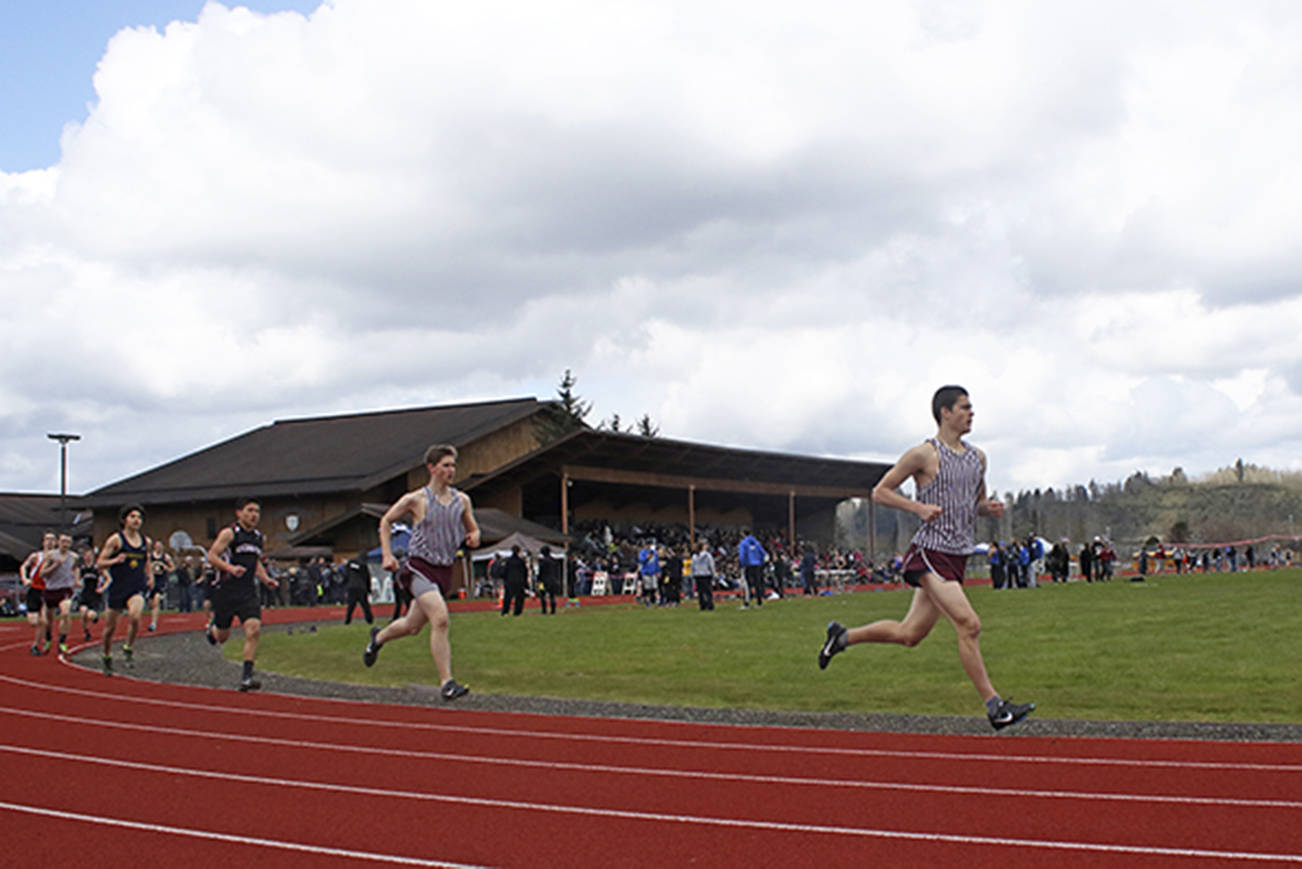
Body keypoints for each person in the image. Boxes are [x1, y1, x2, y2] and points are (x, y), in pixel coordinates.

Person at [817, 385, 1035, 731]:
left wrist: (986, 509)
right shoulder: (923, 454)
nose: (971, 413)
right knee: (969, 624)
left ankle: (842, 637)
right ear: (944, 413)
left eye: (971, 407)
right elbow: (880, 492)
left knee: (910, 634)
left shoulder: (978, 458)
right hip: (930, 552)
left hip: (957, 553)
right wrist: (916, 507)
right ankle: (995, 707)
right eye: (965, 407)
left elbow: (973, 502)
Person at [363, 444, 479, 701]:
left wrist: (473, 536)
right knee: (440, 619)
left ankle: (378, 638)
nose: (451, 470)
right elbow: (385, 521)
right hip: (419, 567)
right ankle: (447, 682)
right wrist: (387, 554)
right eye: (446, 465)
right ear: (432, 468)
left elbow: (474, 529)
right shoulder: (416, 500)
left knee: (412, 626)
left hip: (444, 569)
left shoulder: (462, 500)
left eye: (453, 465)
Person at [205, 497, 279, 691]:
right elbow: (211, 556)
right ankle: (212, 629)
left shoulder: (258, 537)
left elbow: (256, 563)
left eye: (257, 511)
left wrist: (265, 579)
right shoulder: (230, 534)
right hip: (227, 591)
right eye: (250, 510)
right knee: (222, 637)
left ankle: (247, 676)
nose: (254, 515)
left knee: (254, 630)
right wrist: (229, 568)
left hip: (247, 592)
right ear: (239, 513)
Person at [97, 505, 152, 675]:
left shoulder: (145, 541)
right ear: (124, 520)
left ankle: (128, 646)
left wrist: (150, 576)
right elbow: (99, 563)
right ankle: (106, 656)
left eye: (139, 517)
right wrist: (115, 561)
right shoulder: (116, 540)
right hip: (118, 587)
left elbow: (147, 560)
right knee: (110, 629)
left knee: (135, 616)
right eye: (132, 517)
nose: (137, 520)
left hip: (136, 586)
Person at [39, 533, 80, 656]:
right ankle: (48, 640)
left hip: (65, 589)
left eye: (68, 542)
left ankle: (62, 642)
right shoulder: (52, 556)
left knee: (66, 613)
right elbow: (42, 574)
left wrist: (76, 580)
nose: (65, 544)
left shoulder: (74, 556)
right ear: (58, 543)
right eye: (63, 542)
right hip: (51, 589)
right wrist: (55, 565)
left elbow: (75, 568)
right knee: (48, 622)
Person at [20, 531, 55, 655]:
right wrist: (25, 578)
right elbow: (23, 566)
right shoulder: (36, 556)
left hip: (47, 591)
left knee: (43, 621)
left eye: (52, 539)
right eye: (48, 539)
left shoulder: (57, 558)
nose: (50, 542)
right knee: (33, 622)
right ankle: (43, 635)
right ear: (43, 542)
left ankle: (35, 645)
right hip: (34, 589)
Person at [147, 539, 174, 632]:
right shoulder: (150, 556)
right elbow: (145, 567)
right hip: (152, 580)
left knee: (156, 601)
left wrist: (165, 567)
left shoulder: (166, 557)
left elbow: (172, 568)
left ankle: (153, 623)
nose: (158, 548)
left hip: (161, 581)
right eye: (157, 546)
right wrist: (152, 566)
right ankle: (153, 616)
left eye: (160, 546)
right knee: (151, 603)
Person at [76, 546, 103, 640]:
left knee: (90, 615)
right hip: (84, 594)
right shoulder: (81, 569)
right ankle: (86, 632)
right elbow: (77, 580)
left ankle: (95, 616)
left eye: (90, 555)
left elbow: (109, 579)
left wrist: (102, 588)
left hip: (94, 595)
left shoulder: (97, 568)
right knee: (83, 613)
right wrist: (77, 583)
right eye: (86, 555)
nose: (88, 557)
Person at [737, 528, 767, 608]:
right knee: (757, 583)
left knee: (747, 584)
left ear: (743, 534)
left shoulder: (743, 543)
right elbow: (763, 553)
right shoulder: (756, 542)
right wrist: (760, 561)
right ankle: (759, 602)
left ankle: (747, 603)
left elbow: (742, 555)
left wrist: (742, 564)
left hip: (748, 565)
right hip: (757, 565)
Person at [342, 553, 374, 626]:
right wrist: (369, 589)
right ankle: (369, 620)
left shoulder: (350, 563)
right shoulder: (364, 565)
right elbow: (367, 578)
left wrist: (345, 584)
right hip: (361, 587)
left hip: (352, 587)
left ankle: (347, 620)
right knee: (365, 605)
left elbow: (346, 574)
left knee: (351, 605)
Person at [500, 545, 528, 616]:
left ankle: (505, 611)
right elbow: (525, 572)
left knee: (507, 598)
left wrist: (505, 579)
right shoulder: (521, 561)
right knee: (519, 597)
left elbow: (504, 571)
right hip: (519, 581)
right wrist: (525, 582)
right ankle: (517, 611)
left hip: (510, 581)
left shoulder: (508, 561)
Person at [690, 539, 716, 611]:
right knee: (708, 591)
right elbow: (711, 566)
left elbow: (692, 566)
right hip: (706, 575)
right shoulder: (707, 555)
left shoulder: (695, 556)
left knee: (700, 592)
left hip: (698, 575)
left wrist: (692, 574)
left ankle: (702, 605)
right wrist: (713, 574)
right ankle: (710, 605)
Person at [536, 545, 561, 614]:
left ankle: (544, 610)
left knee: (542, 595)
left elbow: (540, 572)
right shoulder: (554, 561)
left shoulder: (542, 561)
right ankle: (553, 610)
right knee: (552, 596)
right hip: (553, 580)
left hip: (543, 581)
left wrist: (538, 580)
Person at [637, 539, 660, 607]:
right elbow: (641, 561)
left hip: (653, 573)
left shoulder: (654, 553)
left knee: (654, 588)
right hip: (646, 573)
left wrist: (658, 571)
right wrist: (647, 558)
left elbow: (656, 563)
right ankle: (647, 602)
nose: (649, 546)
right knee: (647, 589)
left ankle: (653, 599)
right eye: (648, 544)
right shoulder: (643, 552)